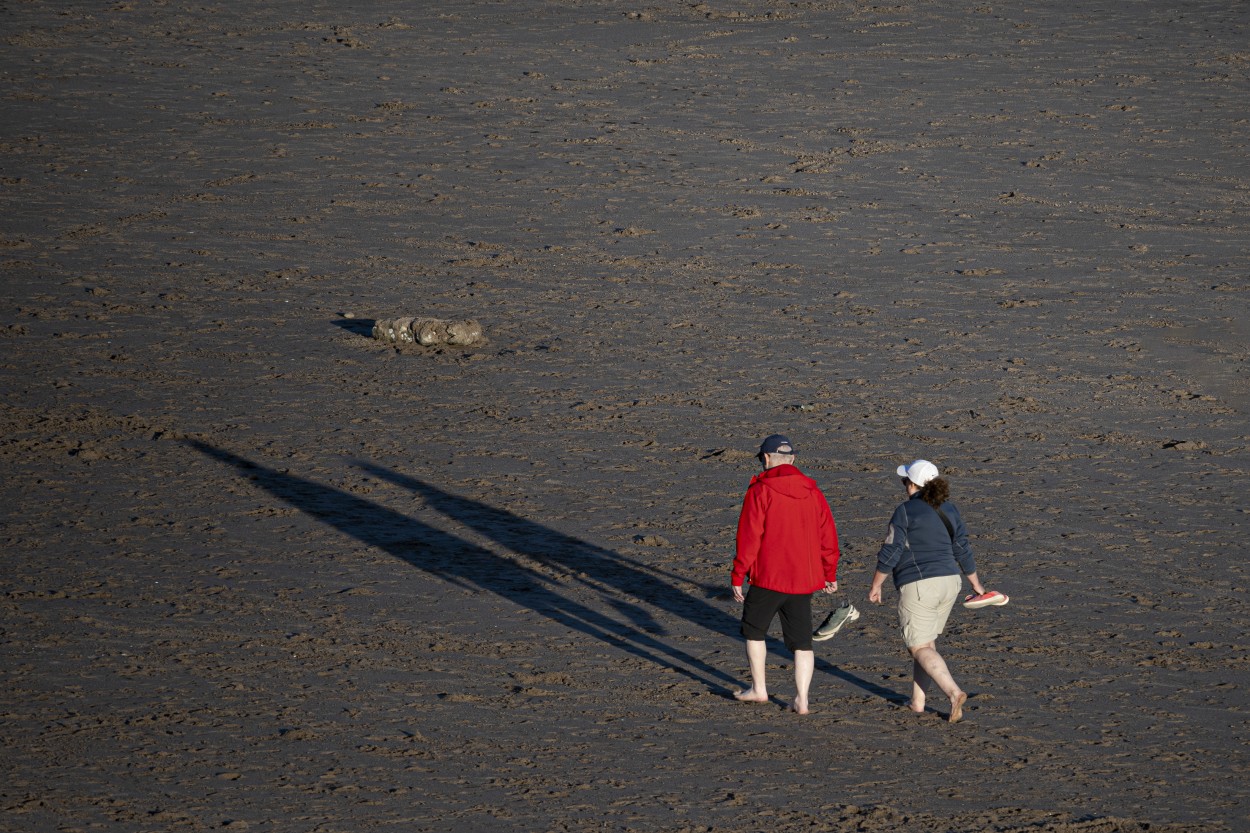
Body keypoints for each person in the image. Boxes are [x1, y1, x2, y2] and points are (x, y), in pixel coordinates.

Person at [868, 459, 988, 723]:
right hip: (950, 583)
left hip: (920, 584)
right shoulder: (951, 509)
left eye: (904, 481)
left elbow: (891, 550)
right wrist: (976, 584)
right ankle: (918, 702)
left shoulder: (905, 511)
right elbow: (962, 548)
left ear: (913, 484)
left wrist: (877, 584)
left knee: (919, 646)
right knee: (926, 644)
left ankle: (954, 692)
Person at [731, 434, 840, 714]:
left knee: (754, 631)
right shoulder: (813, 492)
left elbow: (749, 537)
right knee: (802, 642)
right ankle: (802, 699)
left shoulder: (760, 490)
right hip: (803, 581)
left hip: (768, 577)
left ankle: (759, 689)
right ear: (792, 459)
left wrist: (738, 575)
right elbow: (828, 537)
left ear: (767, 459)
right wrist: (830, 573)